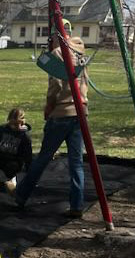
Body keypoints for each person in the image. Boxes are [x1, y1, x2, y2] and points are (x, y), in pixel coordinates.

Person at [14, 36, 88, 218]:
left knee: (43, 158)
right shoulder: (80, 53)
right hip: (80, 112)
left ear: (57, 37)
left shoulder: (58, 54)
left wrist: (49, 107)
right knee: (76, 162)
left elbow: (55, 86)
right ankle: (77, 204)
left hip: (62, 112)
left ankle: (21, 195)